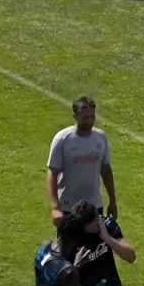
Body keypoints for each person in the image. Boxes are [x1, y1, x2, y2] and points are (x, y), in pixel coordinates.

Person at [48, 96, 117, 227]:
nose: (89, 121)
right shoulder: (63, 139)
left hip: (94, 206)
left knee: (95, 247)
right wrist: (55, 207)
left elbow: (106, 170)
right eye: (85, 117)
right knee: (69, 246)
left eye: (92, 116)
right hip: (68, 207)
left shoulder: (100, 137)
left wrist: (112, 201)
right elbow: (52, 173)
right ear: (75, 116)